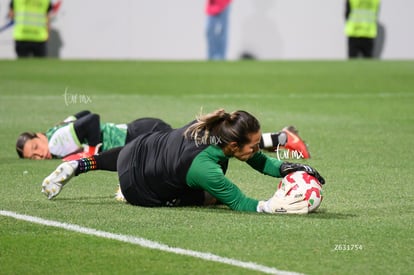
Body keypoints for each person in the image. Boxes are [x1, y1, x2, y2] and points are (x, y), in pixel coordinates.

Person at [41, 109, 325, 214]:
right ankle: (123, 193)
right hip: (139, 189)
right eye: (254, 144)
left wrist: (287, 166)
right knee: (212, 198)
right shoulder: (205, 169)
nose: (257, 149)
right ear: (235, 145)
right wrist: (270, 207)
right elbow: (239, 202)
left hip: (137, 147)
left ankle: (80, 164)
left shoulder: (215, 127)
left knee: (142, 155)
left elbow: (257, 159)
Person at [16, 110, 311, 160]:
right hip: (142, 132)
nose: (40, 153)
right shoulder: (55, 135)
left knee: (207, 143)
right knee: (207, 142)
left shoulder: (56, 143)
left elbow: (90, 120)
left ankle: (282, 138)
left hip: (142, 135)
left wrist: (94, 150)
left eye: (35, 146)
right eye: (34, 155)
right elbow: (83, 116)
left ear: (40, 136)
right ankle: (281, 139)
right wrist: (69, 118)